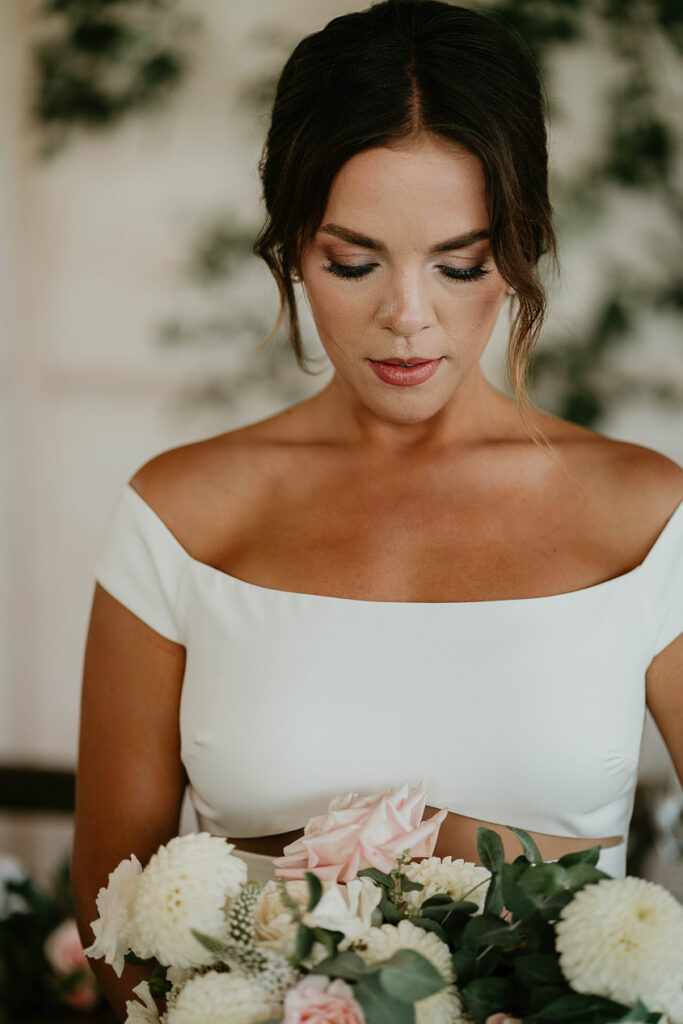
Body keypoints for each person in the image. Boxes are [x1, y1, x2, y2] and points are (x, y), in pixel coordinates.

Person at [71, 0, 683, 1019]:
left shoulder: (644, 516)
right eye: (352, 262)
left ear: (520, 245)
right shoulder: (178, 516)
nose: (407, 314)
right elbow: (114, 924)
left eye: (460, 262)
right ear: (290, 248)